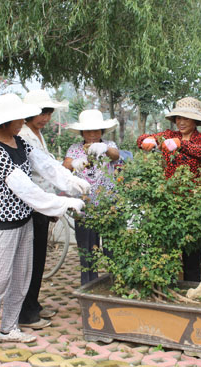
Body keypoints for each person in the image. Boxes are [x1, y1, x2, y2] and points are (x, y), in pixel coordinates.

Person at [0, 93, 90, 359]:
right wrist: (63, 204)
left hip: (24, 218)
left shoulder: (20, 141)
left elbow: (46, 166)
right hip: (4, 222)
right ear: (5, 121)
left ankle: (9, 327)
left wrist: (72, 182)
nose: (24, 121)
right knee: (0, 280)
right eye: (19, 117)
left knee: (22, 276)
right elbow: (24, 188)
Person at [136, 97, 201, 281]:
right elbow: (141, 139)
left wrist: (180, 144)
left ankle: (192, 294)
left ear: (195, 121)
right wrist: (148, 140)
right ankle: (167, 293)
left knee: (192, 256)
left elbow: (200, 151)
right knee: (166, 253)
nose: (182, 122)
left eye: (186, 118)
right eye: (179, 118)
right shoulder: (169, 134)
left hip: (193, 204)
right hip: (168, 203)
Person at [17, 90, 69, 330]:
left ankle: (33, 304)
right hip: (31, 206)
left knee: (39, 258)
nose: (45, 117)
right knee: (30, 260)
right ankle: (25, 312)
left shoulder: (36, 133)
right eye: (41, 113)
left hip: (41, 205)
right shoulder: (24, 135)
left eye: (48, 112)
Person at [62, 109, 120, 286]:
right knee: (87, 250)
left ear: (102, 132)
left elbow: (115, 155)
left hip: (108, 205)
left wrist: (104, 149)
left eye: (96, 131)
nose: (93, 134)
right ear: (82, 133)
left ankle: (116, 284)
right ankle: (89, 285)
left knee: (112, 249)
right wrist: (73, 164)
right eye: (88, 131)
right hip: (85, 206)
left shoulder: (109, 145)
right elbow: (65, 166)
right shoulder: (75, 149)